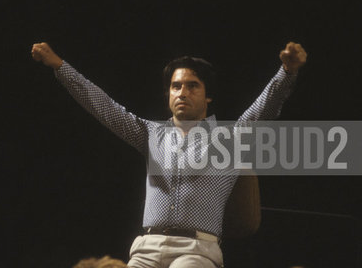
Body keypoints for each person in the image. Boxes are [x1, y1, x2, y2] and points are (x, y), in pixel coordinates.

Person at [31, 42, 307, 268]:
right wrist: (60, 66)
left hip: (196, 252)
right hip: (146, 250)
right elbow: (104, 107)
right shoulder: (150, 134)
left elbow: (264, 108)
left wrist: (287, 71)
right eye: (176, 86)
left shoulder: (231, 139)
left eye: (192, 86)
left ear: (208, 95)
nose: (182, 92)